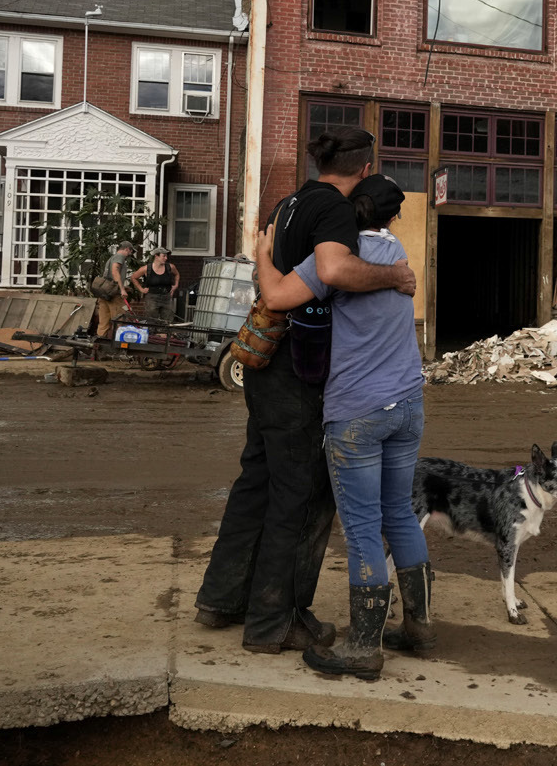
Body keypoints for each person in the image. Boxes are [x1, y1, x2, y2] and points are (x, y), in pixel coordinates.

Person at [194, 128, 417, 654]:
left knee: (257, 482)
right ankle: (276, 621)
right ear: (364, 170)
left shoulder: (287, 203)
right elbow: (335, 268)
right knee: (303, 495)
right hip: (300, 370)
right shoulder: (336, 211)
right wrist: (393, 276)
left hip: (265, 366)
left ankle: (221, 599)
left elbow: (269, 269)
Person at [255, 174, 432, 680]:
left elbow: (275, 297)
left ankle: (363, 646)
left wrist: (264, 251)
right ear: (393, 216)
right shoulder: (399, 256)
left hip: (357, 411)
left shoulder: (332, 262)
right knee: (398, 511)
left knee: (360, 529)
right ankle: (419, 627)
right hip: (408, 404)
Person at [93, 241, 135, 338]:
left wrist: (124, 287)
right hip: (114, 295)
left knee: (103, 321)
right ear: (127, 249)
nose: (130, 254)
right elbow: (115, 270)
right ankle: (119, 345)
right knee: (120, 320)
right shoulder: (119, 257)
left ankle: (99, 343)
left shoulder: (111, 258)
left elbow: (110, 276)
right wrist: (122, 289)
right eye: (131, 251)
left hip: (104, 293)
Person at [131, 248, 180, 324]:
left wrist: (176, 285)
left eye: (166, 256)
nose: (166, 258)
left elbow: (177, 274)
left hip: (166, 297)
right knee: (152, 320)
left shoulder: (170, 267)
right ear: (156, 256)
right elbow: (134, 277)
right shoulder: (146, 269)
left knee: (167, 320)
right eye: (163, 256)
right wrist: (141, 289)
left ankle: (165, 334)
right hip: (152, 297)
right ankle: (153, 335)